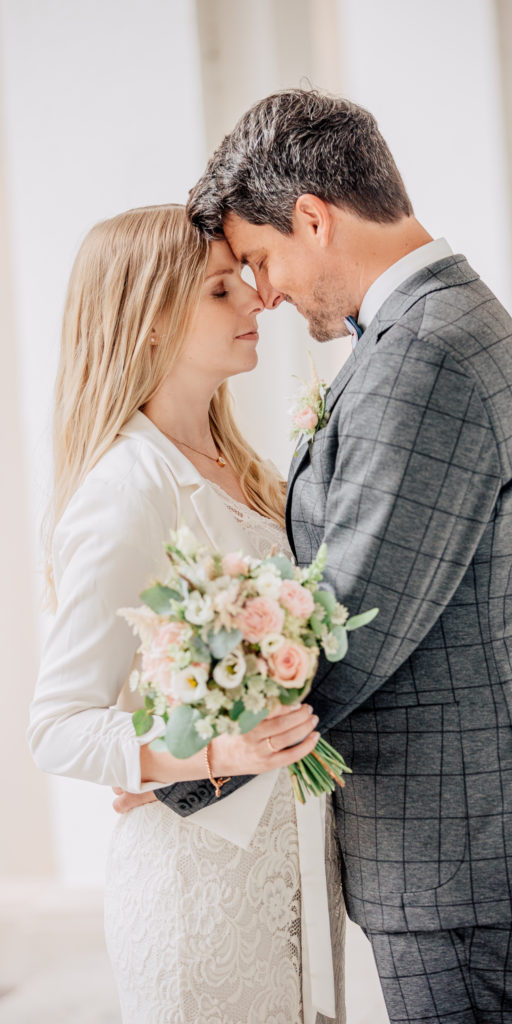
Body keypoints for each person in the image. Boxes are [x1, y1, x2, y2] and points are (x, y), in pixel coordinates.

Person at [119, 90, 512, 1023]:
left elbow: (356, 620)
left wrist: (184, 769)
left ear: (314, 217)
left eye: (261, 258)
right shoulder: (432, 327)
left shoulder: (424, 357)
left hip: (467, 848)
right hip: (474, 831)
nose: (263, 292)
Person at [27, 204, 346, 1024]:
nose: (252, 300)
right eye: (217, 289)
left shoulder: (241, 466)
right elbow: (58, 725)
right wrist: (208, 751)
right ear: (146, 324)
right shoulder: (125, 488)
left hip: (294, 870)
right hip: (195, 893)